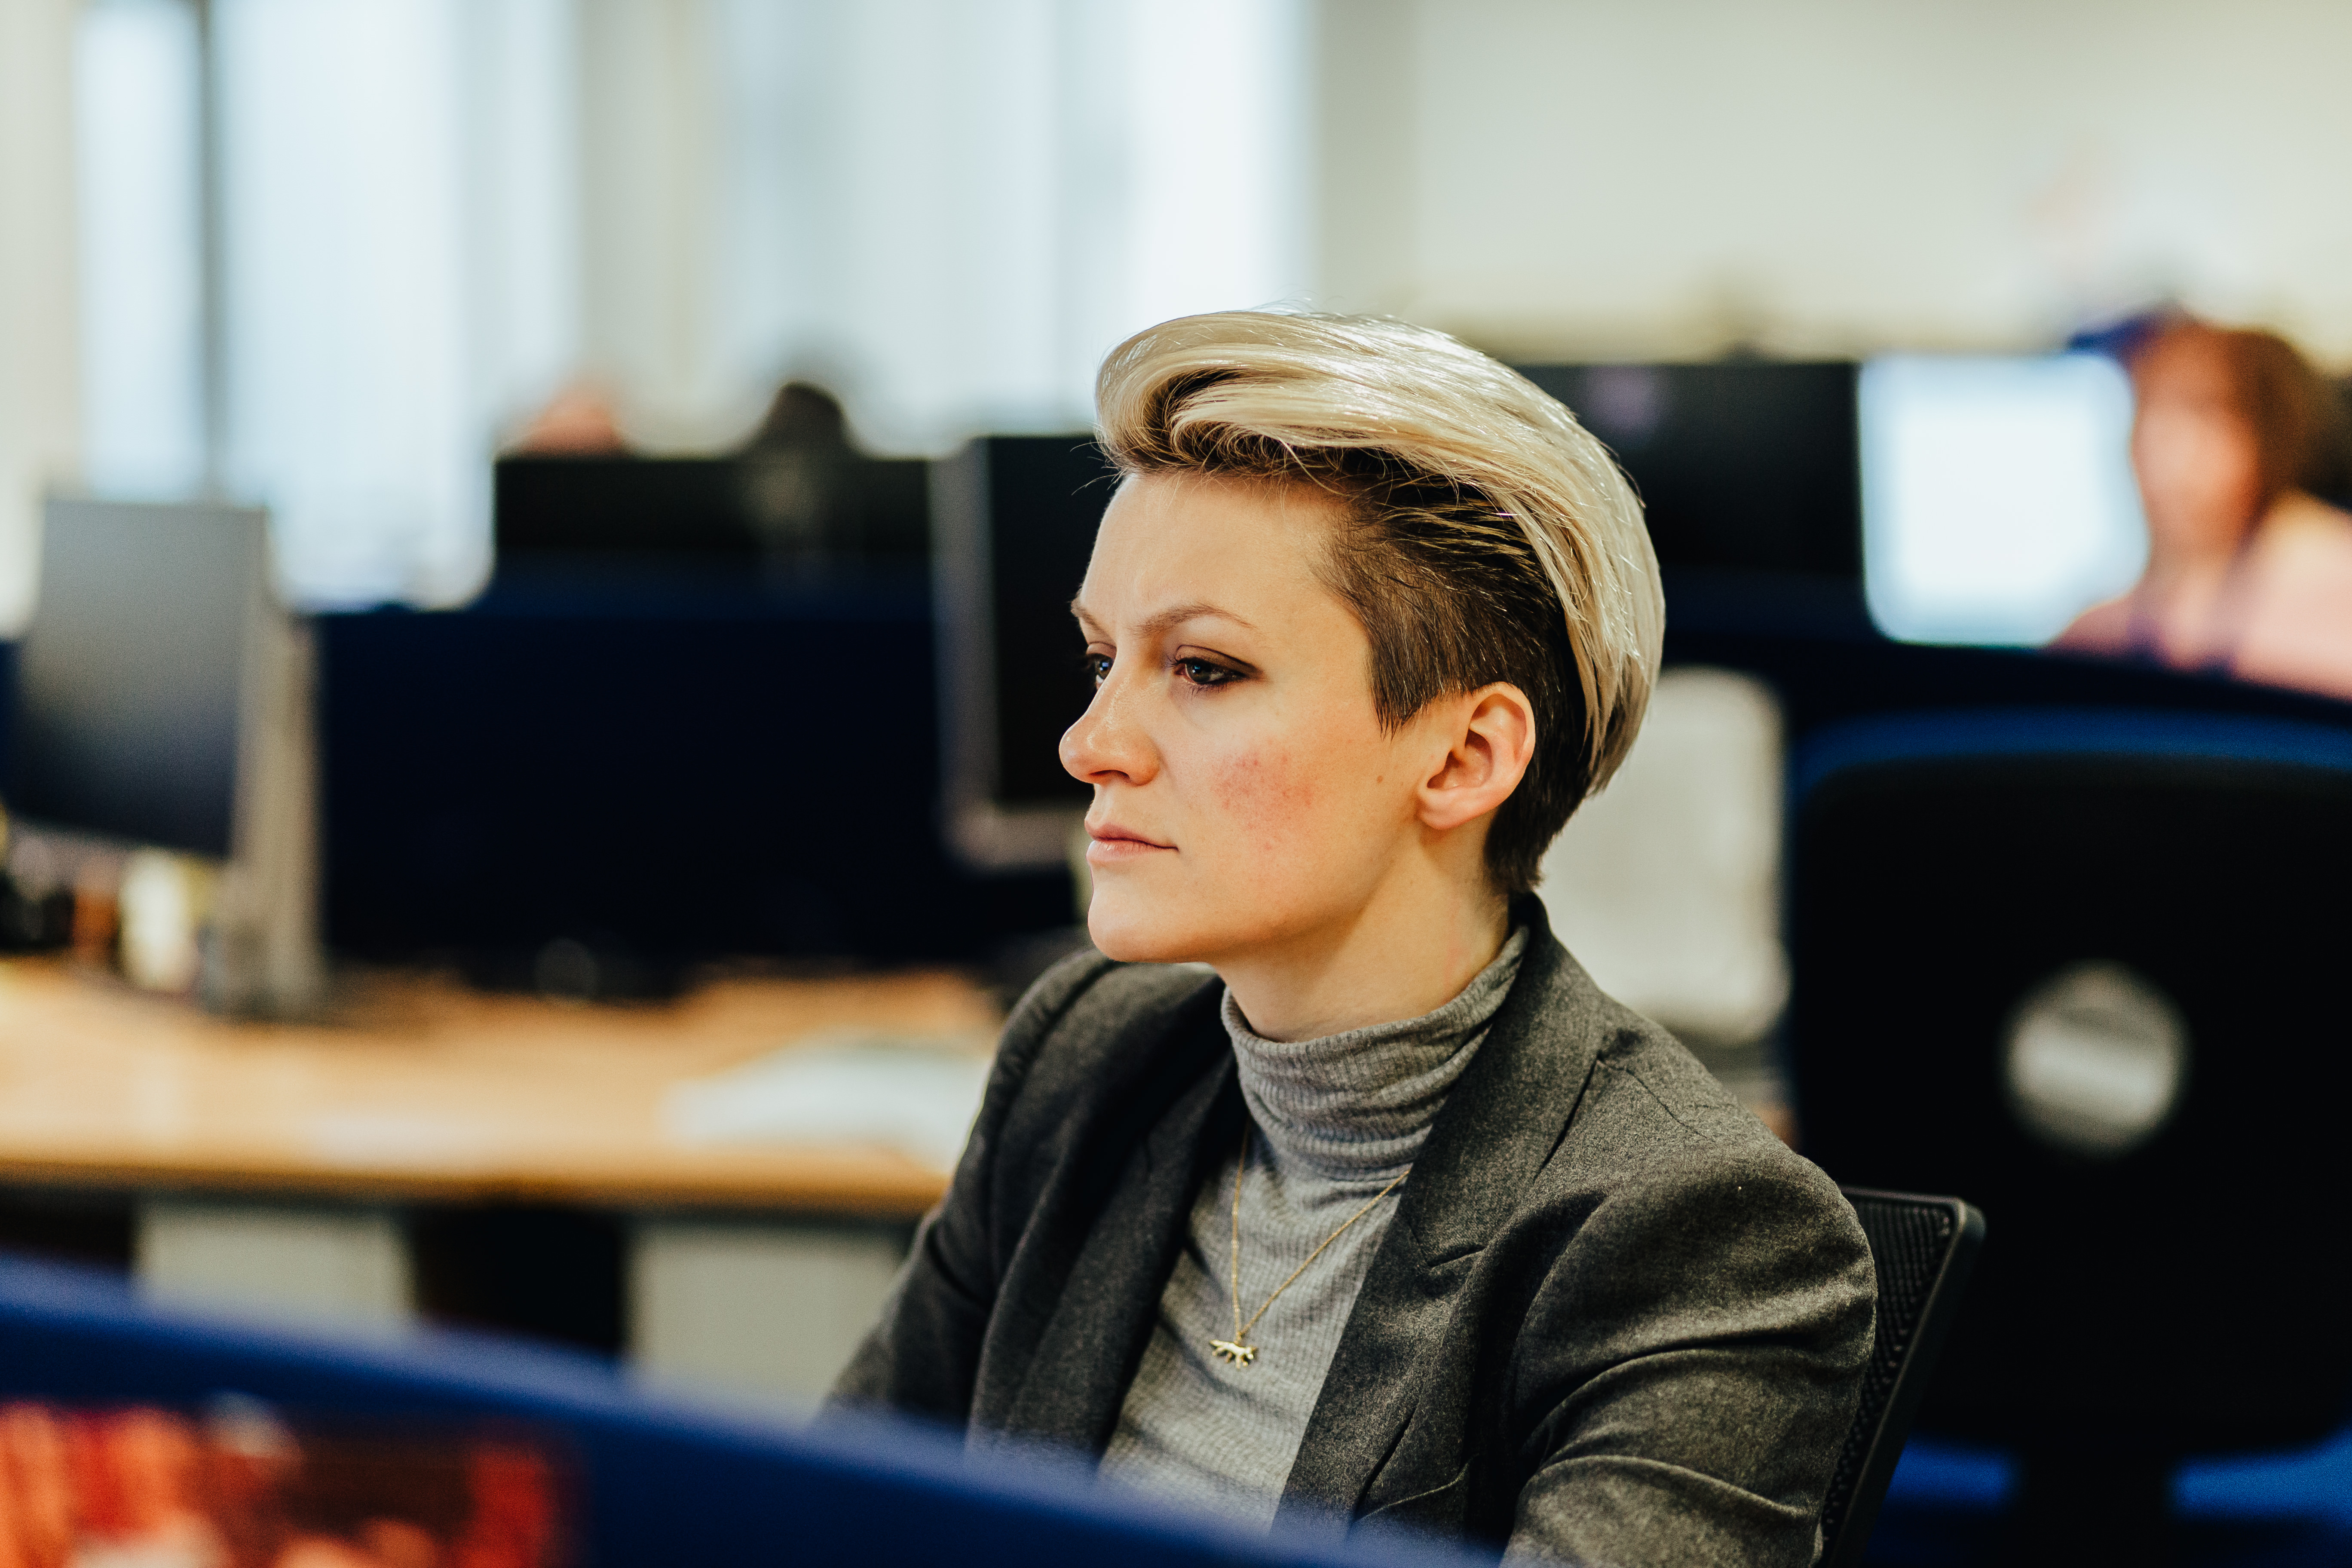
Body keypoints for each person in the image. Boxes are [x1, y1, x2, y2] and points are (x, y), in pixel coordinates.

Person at [830, 312, 1874, 1564]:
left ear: (1465, 757)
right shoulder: (1086, 1058)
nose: (1089, 743)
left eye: (1205, 670)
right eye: (1102, 660)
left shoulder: (1696, 1231)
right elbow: (837, 1516)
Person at [2053, 319, 2352, 700]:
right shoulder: (2101, 632)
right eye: (2147, 409)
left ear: (2269, 432)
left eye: (2202, 411)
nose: (2161, 445)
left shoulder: (2333, 581)